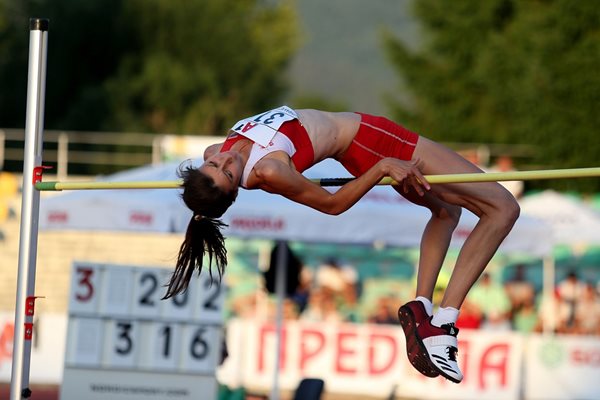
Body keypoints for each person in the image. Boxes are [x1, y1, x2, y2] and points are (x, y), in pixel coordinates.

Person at [163, 105, 520, 383]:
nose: (225, 160)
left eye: (215, 163)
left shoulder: (216, 147)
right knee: (503, 209)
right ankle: (445, 323)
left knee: (445, 212)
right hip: (373, 139)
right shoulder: (268, 171)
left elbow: (221, 159)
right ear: (236, 189)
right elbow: (332, 205)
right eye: (227, 174)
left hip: (363, 146)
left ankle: (422, 307)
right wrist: (381, 167)